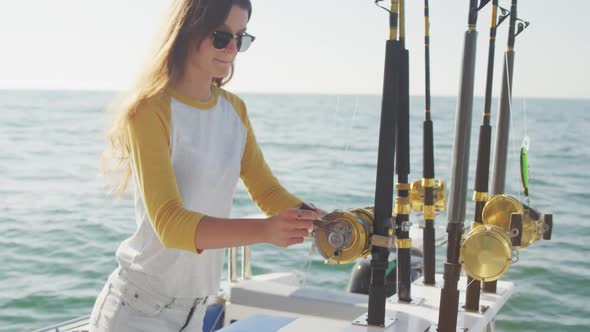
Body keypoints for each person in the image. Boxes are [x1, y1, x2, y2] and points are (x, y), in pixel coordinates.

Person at [90, 0, 324, 331]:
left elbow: (267, 190)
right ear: (188, 31)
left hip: (197, 312)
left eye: (240, 38)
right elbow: (171, 224)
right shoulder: (149, 111)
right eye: (220, 37)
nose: (232, 49)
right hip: (137, 312)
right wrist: (265, 231)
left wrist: (327, 222)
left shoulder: (235, 111)